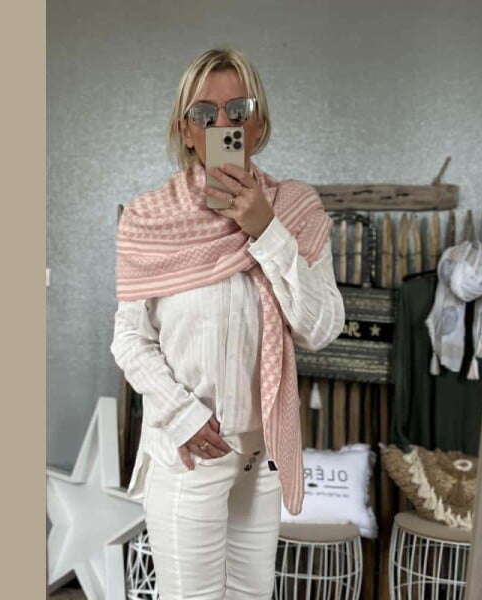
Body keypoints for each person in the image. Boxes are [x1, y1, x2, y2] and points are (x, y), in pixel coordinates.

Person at [110, 47, 345, 600]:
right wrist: (182, 415)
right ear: (186, 131)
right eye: (205, 113)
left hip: (259, 461)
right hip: (189, 455)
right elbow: (130, 339)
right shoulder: (149, 219)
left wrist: (266, 229)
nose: (223, 124)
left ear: (258, 124)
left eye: (239, 110)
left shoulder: (295, 210)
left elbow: (320, 328)